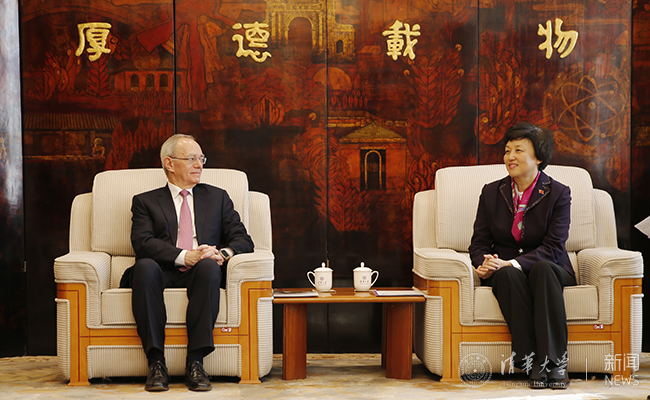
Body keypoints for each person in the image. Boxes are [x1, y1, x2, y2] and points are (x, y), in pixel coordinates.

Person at [120, 134, 254, 392]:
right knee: (144, 266)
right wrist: (184, 255)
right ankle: (156, 363)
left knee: (209, 266)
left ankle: (196, 362)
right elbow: (143, 243)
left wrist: (222, 254)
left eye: (201, 158)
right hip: (161, 269)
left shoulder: (217, 198)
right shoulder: (145, 201)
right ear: (169, 163)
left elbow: (243, 239)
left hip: (201, 271)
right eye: (191, 158)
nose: (199, 165)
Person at [468, 122, 575, 390]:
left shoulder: (558, 193)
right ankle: (533, 361)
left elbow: (554, 246)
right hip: (505, 271)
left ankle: (556, 362)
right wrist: (484, 263)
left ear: (538, 157)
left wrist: (513, 262)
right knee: (506, 274)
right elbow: (479, 243)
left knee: (542, 269)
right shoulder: (491, 192)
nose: (510, 157)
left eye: (518, 150)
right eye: (507, 151)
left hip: (550, 267)